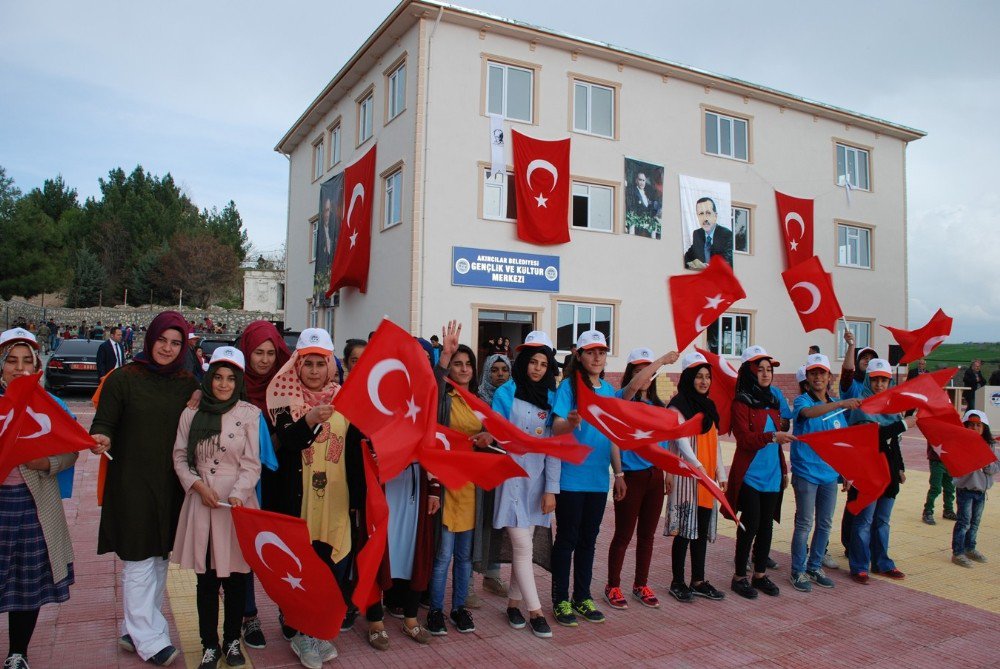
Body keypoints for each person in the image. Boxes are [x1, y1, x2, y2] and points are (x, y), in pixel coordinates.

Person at [89, 311, 200, 666]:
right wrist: (101, 436)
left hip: (169, 484)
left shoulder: (187, 383)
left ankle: (135, 628)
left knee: (159, 558)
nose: (167, 348)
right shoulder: (123, 379)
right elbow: (104, 421)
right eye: (162, 340)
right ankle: (149, 640)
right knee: (138, 559)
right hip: (132, 483)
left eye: (175, 343)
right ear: (149, 338)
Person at [263, 328, 357, 667]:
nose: (314, 371)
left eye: (321, 363)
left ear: (331, 365)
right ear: (296, 366)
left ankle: (315, 630)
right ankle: (302, 632)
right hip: (299, 504)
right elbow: (287, 442)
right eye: (308, 364)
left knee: (332, 568)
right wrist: (309, 420)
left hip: (335, 503)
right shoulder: (284, 401)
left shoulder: (346, 399)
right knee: (301, 569)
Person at [171, 347, 261, 669]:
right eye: (218, 377)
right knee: (207, 580)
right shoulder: (191, 414)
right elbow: (180, 456)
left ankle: (232, 640)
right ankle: (209, 643)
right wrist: (196, 485)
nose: (223, 384)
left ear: (238, 381)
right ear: (209, 378)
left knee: (236, 578)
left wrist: (238, 494)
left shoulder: (250, 414)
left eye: (230, 378)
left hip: (236, 505)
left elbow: (252, 463)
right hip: (201, 501)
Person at [0, 329, 81, 669]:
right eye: (11, 362)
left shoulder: (50, 405)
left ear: (37, 366)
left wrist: (46, 462)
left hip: (33, 506)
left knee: (25, 584)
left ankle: (18, 652)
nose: (19, 369)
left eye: (27, 362)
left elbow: (71, 450)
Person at [491, 331, 560, 638]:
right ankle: (536, 612)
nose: (537, 368)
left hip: (538, 484)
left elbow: (554, 448)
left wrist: (551, 489)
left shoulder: (552, 398)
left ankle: (513, 605)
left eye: (543, 363)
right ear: (522, 362)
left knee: (526, 547)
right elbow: (495, 435)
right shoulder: (505, 393)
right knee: (522, 545)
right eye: (532, 361)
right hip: (510, 481)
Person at [427, 340, 495, 636]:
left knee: (465, 555)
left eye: (468, 364)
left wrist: (488, 438)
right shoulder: (443, 397)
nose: (464, 369)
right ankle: (434, 611)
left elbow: (495, 438)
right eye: (458, 363)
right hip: (445, 483)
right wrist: (442, 358)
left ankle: (458, 609)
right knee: (443, 555)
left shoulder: (481, 402)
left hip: (472, 487)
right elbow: (431, 390)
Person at [550, 330, 618, 626]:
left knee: (589, 541)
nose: (596, 357)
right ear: (579, 355)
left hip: (598, 480)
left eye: (601, 352)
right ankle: (560, 599)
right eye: (590, 352)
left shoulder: (610, 391)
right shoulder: (569, 388)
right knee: (567, 539)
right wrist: (570, 422)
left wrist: (621, 473)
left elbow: (613, 436)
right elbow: (556, 427)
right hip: (572, 478)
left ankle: (582, 596)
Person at [603, 347, 679, 610]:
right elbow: (613, 439)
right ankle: (613, 585)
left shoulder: (657, 406)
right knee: (624, 534)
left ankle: (640, 584)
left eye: (649, 371)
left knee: (647, 535)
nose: (646, 376)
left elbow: (663, 444)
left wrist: (667, 473)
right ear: (630, 374)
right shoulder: (622, 400)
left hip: (654, 476)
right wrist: (619, 474)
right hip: (631, 476)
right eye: (639, 371)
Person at [236, 320, 292, 650]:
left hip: (279, 477)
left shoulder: (285, 385)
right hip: (242, 481)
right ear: (246, 351)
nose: (265, 360)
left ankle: (288, 610)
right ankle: (249, 616)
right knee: (246, 548)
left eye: (271, 353)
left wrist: (271, 443)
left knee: (280, 546)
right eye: (258, 352)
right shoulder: (231, 383)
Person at [788, 353, 861, 593]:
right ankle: (798, 570)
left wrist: (847, 472)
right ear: (807, 378)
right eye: (813, 373)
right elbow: (808, 415)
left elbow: (841, 443)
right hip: (806, 472)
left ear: (829, 377)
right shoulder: (802, 401)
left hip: (829, 475)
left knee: (825, 523)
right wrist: (840, 404)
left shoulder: (838, 407)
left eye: (822, 373)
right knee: (804, 523)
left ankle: (815, 565)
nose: (818, 377)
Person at [727, 347, 793, 600]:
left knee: (767, 526)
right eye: (760, 369)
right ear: (750, 372)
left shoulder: (774, 400)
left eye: (769, 370)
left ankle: (760, 574)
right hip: (750, 473)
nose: (766, 374)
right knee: (750, 524)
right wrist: (772, 436)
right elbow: (745, 440)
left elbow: (777, 442)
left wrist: (784, 469)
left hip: (773, 473)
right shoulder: (741, 401)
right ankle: (739, 577)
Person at [664, 352, 727, 604]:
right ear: (689, 378)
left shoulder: (708, 406)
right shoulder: (678, 405)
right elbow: (680, 440)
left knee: (700, 532)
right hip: (687, 478)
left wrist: (720, 473)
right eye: (699, 376)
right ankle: (677, 582)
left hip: (706, 479)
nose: (704, 381)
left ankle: (698, 580)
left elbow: (716, 441)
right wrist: (697, 466)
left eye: (707, 377)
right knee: (683, 532)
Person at [847, 358, 911, 584]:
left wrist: (900, 467)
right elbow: (872, 436)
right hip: (867, 471)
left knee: (882, 520)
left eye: (884, 380)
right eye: (875, 380)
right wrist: (904, 424)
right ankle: (859, 565)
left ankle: (882, 562)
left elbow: (894, 441)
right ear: (868, 380)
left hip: (889, 470)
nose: (880, 385)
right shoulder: (860, 407)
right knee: (864, 520)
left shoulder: (891, 407)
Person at [469, 352, 513, 606]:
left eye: (504, 370)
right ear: (486, 372)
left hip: (502, 472)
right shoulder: (476, 400)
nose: (499, 374)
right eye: (494, 370)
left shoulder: (513, 399)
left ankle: (492, 575)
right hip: (479, 472)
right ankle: (468, 583)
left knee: (497, 523)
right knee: (475, 524)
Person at [950, 410, 999, 567]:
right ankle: (958, 552)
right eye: (971, 425)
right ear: (965, 426)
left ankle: (970, 547)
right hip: (965, 489)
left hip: (981, 491)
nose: (975, 428)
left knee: (975, 522)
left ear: (985, 427)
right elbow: (956, 465)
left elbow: (995, 467)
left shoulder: (989, 445)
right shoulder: (961, 444)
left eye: (979, 425)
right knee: (964, 522)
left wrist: (986, 463)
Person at [683, 197, 733, 269]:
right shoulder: (697, 234)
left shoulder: (726, 235)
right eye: (701, 214)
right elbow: (686, 258)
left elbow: (727, 262)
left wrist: (705, 267)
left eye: (708, 213)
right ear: (697, 216)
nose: (705, 218)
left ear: (715, 216)